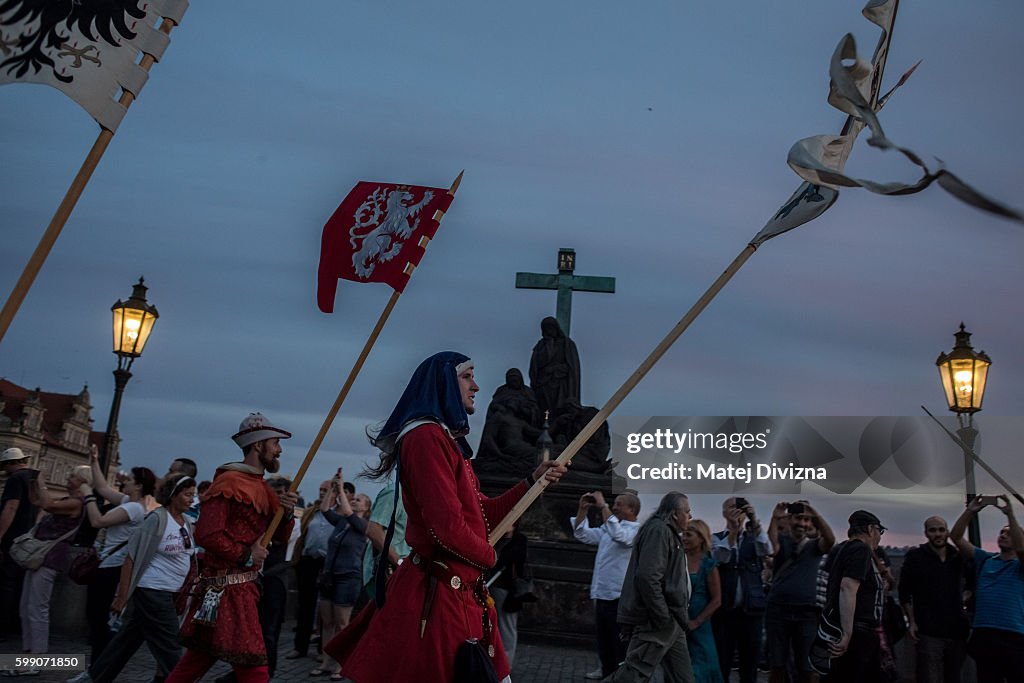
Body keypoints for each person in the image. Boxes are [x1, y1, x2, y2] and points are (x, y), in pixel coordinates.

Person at [326, 351, 566, 682]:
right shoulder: (425, 437)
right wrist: (490, 555)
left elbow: (484, 514)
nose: (476, 386)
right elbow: (445, 528)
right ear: (443, 382)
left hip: (461, 594)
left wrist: (531, 481)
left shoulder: (446, 441)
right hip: (437, 598)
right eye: (468, 376)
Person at [164, 413, 298, 683]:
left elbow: (281, 536)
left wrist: (286, 512)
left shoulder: (265, 489)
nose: (279, 449)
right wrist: (247, 554)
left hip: (240, 587)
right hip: (228, 589)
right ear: (258, 445)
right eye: (275, 443)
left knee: (197, 660)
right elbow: (207, 533)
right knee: (254, 666)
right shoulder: (229, 483)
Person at [67, 473, 197, 683]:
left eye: (193, 495)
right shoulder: (156, 519)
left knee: (127, 639)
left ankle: (95, 677)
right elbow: (131, 558)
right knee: (171, 644)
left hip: (171, 591)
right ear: (173, 495)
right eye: (187, 494)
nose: (192, 499)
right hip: (153, 590)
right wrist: (122, 596)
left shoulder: (187, 523)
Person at [76, 445, 157, 660]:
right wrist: (94, 460)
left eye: (129, 480)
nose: (125, 482)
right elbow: (103, 488)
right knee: (97, 618)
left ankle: (99, 667)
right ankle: (99, 666)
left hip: (111, 568)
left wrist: (87, 496)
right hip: (110, 565)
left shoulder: (133, 508)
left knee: (97, 618)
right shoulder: (128, 502)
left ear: (138, 486)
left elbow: (98, 521)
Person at [605, 491, 693, 683]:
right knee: (634, 674)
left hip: (672, 618)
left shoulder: (668, 532)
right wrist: (661, 614)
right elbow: (647, 577)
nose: (690, 516)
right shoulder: (659, 531)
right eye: (687, 511)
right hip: (659, 618)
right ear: (675, 513)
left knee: (682, 677)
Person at [950, 494, 1024, 682]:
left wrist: (1010, 516)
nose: (1003, 535)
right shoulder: (985, 560)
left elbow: (1022, 548)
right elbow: (956, 537)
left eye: (1009, 533)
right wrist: (971, 511)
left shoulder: (1019, 565)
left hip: (1013, 635)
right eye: (1001, 532)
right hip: (984, 633)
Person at [571, 490, 642, 679]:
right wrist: (582, 510)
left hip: (619, 595)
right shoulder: (609, 527)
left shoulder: (636, 531)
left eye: (619, 504)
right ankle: (606, 669)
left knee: (618, 640)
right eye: (614, 504)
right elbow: (582, 534)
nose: (615, 507)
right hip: (601, 591)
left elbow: (621, 537)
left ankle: (619, 673)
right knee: (603, 638)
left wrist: (603, 506)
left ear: (632, 509)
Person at [764, 499, 835, 683]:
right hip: (778, 610)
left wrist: (815, 513)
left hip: (806, 612)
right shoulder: (783, 542)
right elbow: (771, 546)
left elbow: (830, 540)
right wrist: (774, 518)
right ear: (789, 520)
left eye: (806, 520)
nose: (801, 524)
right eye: (797, 519)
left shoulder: (814, 546)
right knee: (777, 664)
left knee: (806, 665)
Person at [20, 465, 87, 654]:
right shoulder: (68, 500)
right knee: (26, 605)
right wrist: (34, 483)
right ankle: (27, 651)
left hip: (50, 557)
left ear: (83, 481)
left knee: (37, 607)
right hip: (40, 556)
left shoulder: (77, 503)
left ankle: (37, 656)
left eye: (73, 476)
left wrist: (42, 482)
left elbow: (48, 505)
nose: (68, 478)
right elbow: (37, 501)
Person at [313, 468, 368, 680]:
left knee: (342, 624)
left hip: (348, 577)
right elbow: (326, 509)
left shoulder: (362, 525)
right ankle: (326, 661)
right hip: (330, 575)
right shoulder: (343, 522)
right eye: (356, 499)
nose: (356, 501)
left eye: (360, 500)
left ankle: (340, 664)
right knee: (327, 623)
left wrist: (341, 487)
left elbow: (346, 511)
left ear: (366, 508)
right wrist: (333, 489)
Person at [820, 510, 888, 683]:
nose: (879, 538)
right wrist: (847, 634)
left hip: (850, 629)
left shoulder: (842, 549)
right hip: (858, 633)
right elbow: (848, 588)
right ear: (871, 529)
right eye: (879, 532)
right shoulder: (860, 549)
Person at [711, 497, 770, 683]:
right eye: (731, 507)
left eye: (739, 508)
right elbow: (721, 556)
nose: (736, 511)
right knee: (723, 660)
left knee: (750, 662)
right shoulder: (715, 538)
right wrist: (733, 533)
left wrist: (754, 521)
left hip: (751, 610)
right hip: (725, 611)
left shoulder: (755, 537)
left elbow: (765, 549)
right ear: (723, 512)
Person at [288, 480, 334, 660]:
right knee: (304, 606)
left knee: (325, 609)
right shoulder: (310, 513)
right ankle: (300, 647)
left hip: (327, 564)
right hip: (308, 562)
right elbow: (301, 536)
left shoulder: (337, 515)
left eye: (326, 490)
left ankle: (323, 649)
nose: (322, 493)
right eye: (321, 490)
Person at [0, 447, 38, 642]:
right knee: (21, 583)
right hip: (28, 538)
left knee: (7, 582)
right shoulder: (34, 478)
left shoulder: (15, 479)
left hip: (13, 537)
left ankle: (3, 625)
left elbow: (11, 507)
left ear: (9, 464)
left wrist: (0, 535)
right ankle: (16, 624)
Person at [683, 519, 723, 683]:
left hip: (699, 625)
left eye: (688, 535)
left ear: (700, 538)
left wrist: (696, 622)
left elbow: (717, 599)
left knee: (701, 669)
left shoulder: (708, 565)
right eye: (683, 534)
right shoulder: (678, 559)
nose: (684, 538)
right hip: (679, 623)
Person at [489, 522, 529, 667]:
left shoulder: (519, 540)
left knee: (506, 628)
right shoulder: (496, 539)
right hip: (491, 586)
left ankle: (505, 665)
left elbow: (512, 560)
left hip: (507, 590)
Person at [529, 316, 581, 418]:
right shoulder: (541, 345)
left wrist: (557, 369)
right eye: (546, 328)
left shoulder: (567, 344)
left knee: (559, 409)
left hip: (561, 384)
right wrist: (548, 346)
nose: (549, 331)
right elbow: (536, 365)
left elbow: (572, 367)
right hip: (544, 384)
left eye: (551, 328)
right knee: (544, 409)